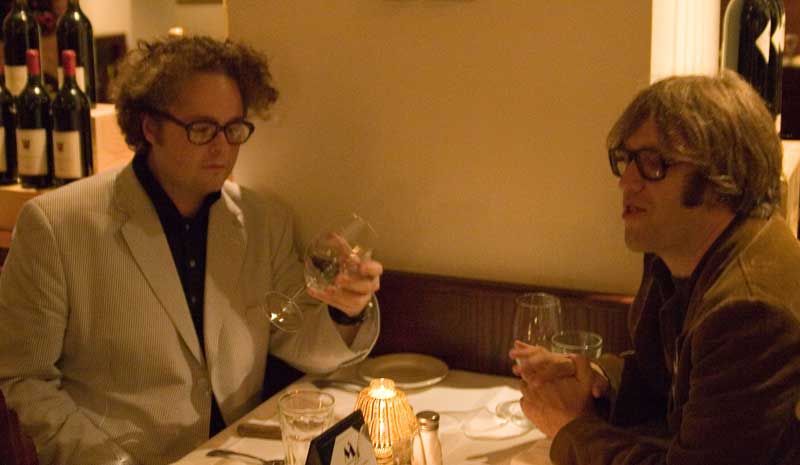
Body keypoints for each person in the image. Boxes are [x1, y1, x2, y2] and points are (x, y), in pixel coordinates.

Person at [0, 36, 382, 465]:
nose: (222, 147)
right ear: (150, 127)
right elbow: (25, 377)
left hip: (246, 452)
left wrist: (346, 310)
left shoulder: (262, 220)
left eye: (234, 129)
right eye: (201, 129)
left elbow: (299, 343)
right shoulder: (56, 225)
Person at [510, 71, 800, 465]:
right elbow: (664, 379)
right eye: (626, 160)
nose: (626, 182)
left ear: (719, 178)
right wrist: (596, 378)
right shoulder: (679, 252)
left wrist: (571, 429)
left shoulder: (750, 309)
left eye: (652, 163)